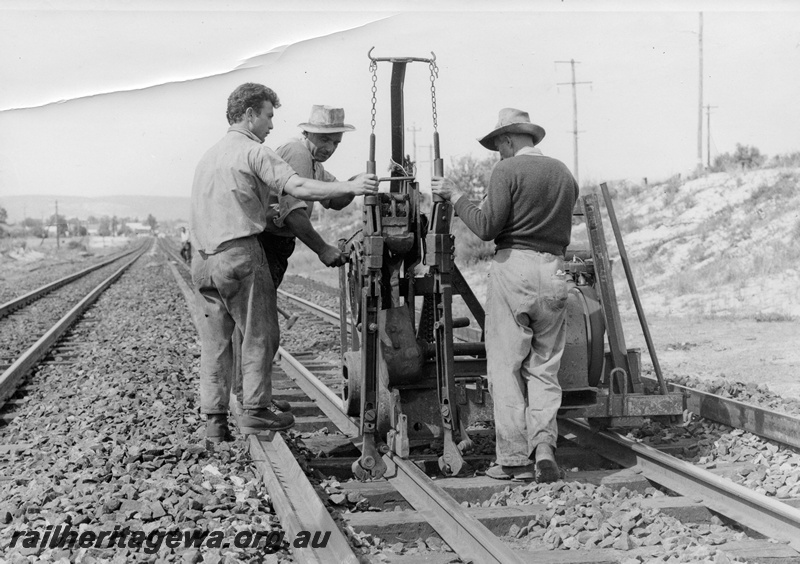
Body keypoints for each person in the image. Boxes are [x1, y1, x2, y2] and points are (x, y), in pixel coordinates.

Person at [190, 83, 378, 443]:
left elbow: (321, 193)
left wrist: (348, 185)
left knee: (217, 342)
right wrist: (354, 190)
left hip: (203, 259)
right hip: (239, 254)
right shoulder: (255, 152)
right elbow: (300, 191)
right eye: (268, 116)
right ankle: (257, 411)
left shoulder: (209, 156)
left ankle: (215, 421)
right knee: (260, 333)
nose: (272, 126)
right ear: (249, 115)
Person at [431, 108, 578, 483]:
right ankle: (544, 447)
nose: (498, 153)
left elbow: (484, 227)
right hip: (557, 271)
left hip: (516, 270)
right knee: (545, 368)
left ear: (509, 140)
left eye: (499, 146)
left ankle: (514, 458)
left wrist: (458, 196)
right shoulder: (564, 173)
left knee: (505, 366)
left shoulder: (506, 171)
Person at [258, 105, 356, 289]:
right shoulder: (298, 152)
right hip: (264, 243)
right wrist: (323, 249)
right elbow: (293, 214)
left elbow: (336, 200)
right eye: (324, 139)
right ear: (308, 133)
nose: (329, 148)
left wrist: (356, 184)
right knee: (261, 310)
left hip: (275, 245)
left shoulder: (315, 165)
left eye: (336, 143)